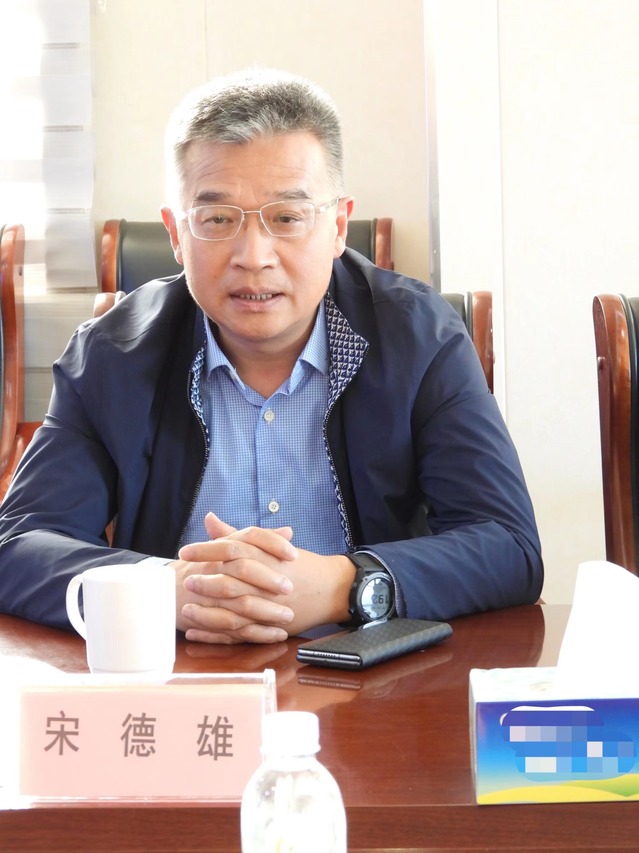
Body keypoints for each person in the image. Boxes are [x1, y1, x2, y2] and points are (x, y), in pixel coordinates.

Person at [0, 68, 543, 644]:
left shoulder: (420, 339)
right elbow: (19, 546)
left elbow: (508, 545)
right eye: (217, 219)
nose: (254, 256)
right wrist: (163, 588)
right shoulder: (112, 355)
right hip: (180, 677)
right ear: (177, 234)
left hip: (371, 678)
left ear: (338, 226)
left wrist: (347, 584)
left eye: (286, 218)